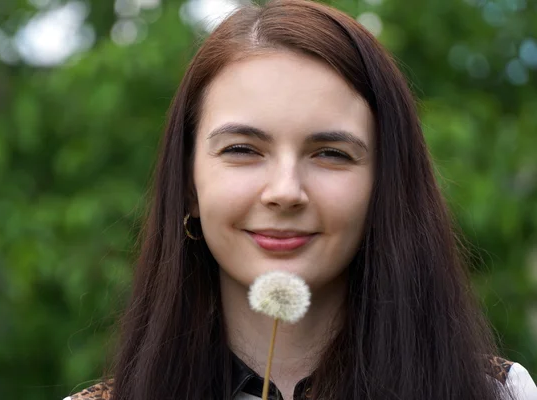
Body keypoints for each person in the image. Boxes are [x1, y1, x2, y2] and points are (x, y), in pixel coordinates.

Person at [64, 0, 537, 399]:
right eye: (243, 150)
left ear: (385, 184)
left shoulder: (500, 393)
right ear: (188, 184)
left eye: (331, 153)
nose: (286, 191)